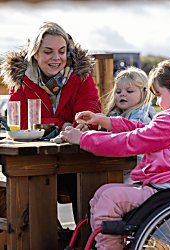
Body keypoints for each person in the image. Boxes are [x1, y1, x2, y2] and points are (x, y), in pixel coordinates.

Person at [60, 58, 170, 249]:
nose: (157, 101)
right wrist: (106, 121)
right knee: (104, 193)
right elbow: (146, 130)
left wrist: (83, 139)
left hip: (169, 191)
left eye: (158, 95)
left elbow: (132, 141)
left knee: (107, 198)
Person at [0, 21, 102, 222]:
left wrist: (84, 122)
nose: (56, 58)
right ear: (35, 53)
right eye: (48, 52)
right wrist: (60, 125)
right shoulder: (21, 78)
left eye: (62, 51)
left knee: (84, 179)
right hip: (37, 159)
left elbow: (90, 106)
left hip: (72, 157)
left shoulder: (81, 75)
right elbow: (21, 119)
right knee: (30, 179)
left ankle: (84, 240)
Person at [101, 66, 156, 183]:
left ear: (144, 93)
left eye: (129, 91)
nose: (122, 94)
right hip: (121, 169)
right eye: (118, 91)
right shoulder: (116, 114)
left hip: (136, 174)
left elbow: (129, 135)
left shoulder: (142, 116)